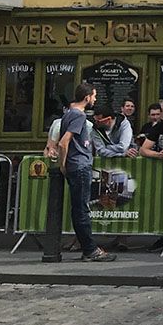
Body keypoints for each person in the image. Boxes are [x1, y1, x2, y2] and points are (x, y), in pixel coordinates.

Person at [57, 83, 115, 262]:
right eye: (94, 96)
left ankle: (88, 248)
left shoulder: (68, 114)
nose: (95, 99)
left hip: (76, 165)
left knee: (78, 208)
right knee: (82, 209)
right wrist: (62, 165)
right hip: (80, 165)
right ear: (87, 97)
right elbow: (63, 142)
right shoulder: (79, 116)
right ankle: (90, 250)